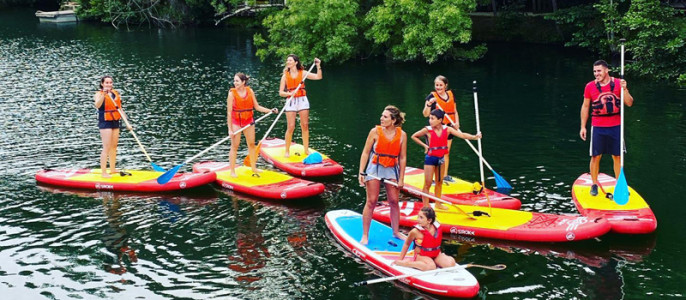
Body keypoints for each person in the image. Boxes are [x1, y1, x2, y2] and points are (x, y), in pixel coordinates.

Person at [580, 60, 634, 196]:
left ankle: (619, 185)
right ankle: (594, 184)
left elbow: (629, 103)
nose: (596, 74)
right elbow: (585, 106)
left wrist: (625, 89)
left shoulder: (618, 84)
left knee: (617, 156)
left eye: (599, 71)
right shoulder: (590, 86)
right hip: (598, 126)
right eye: (594, 71)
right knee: (595, 156)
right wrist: (583, 127)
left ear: (606, 70)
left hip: (616, 126)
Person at [411, 109, 481, 209]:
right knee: (428, 183)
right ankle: (426, 206)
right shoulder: (427, 129)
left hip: (440, 159)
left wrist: (474, 137)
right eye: (430, 118)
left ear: (440, 120)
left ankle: (438, 203)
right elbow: (414, 136)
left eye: (432, 118)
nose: (430, 120)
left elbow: (462, 135)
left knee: (439, 182)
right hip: (430, 159)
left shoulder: (447, 129)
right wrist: (425, 146)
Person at [358, 105, 408, 245]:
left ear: (393, 120)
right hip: (375, 167)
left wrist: (401, 178)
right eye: (381, 116)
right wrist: (361, 172)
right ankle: (365, 235)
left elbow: (403, 158)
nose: (381, 118)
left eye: (385, 117)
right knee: (371, 201)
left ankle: (396, 232)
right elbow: (365, 153)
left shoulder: (402, 135)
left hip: (391, 168)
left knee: (394, 201)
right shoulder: (374, 132)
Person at [227, 73, 278, 177]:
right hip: (236, 122)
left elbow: (257, 107)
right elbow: (229, 112)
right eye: (234, 81)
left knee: (251, 144)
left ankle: (254, 168)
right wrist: (230, 130)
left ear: (243, 82)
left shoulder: (250, 91)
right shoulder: (231, 94)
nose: (234, 83)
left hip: (249, 121)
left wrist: (270, 110)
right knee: (235, 146)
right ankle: (232, 171)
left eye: (237, 81)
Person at [278, 54, 322, 158]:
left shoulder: (303, 73)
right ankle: (287, 150)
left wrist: (318, 66)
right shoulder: (285, 76)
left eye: (290, 60)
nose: (288, 62)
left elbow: (318, 77)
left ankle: (306, 150)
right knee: (291, 126)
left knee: (305, 125)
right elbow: (280, 92)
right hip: (291, 101)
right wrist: (288, 94)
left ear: (296, 62)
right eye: (287, 60)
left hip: (302, 100)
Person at [393, 207, 455, 271]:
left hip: (436, 254)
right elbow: (406, 244)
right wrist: (400, 260)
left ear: (429, 220)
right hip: (422, 256)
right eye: (418, 217)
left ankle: (435, 261)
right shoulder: (415, 231)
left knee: (451, 264)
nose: (418, 220)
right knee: (431, 267)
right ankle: (408, 263)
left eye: (421, 217)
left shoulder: (436, 228)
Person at [423, 75, 460, 182]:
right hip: (434, 129)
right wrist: (429, 104)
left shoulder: (451, 94)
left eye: (441, 85)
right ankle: (433, 178)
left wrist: (457, 123)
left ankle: (444, 176)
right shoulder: (431, 96)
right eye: (436, 85)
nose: (438, 87)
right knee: (434, 153)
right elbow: (425, 114)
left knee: (446, 152)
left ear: (446, 85)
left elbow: (455, 111)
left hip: (448, 127)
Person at [93, 76, 131, 178]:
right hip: (105, 121)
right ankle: (104, 172)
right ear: (102, 84)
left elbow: (120, 109)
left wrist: (127, 122)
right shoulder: (99, 94)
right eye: (106, 83)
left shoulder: (115, 93)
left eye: (110, 82)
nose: (109, 84)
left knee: (114, 147)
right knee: (107, 147)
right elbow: (97, 105)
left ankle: (113, 169)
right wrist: (104, 95)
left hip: (115, 120)